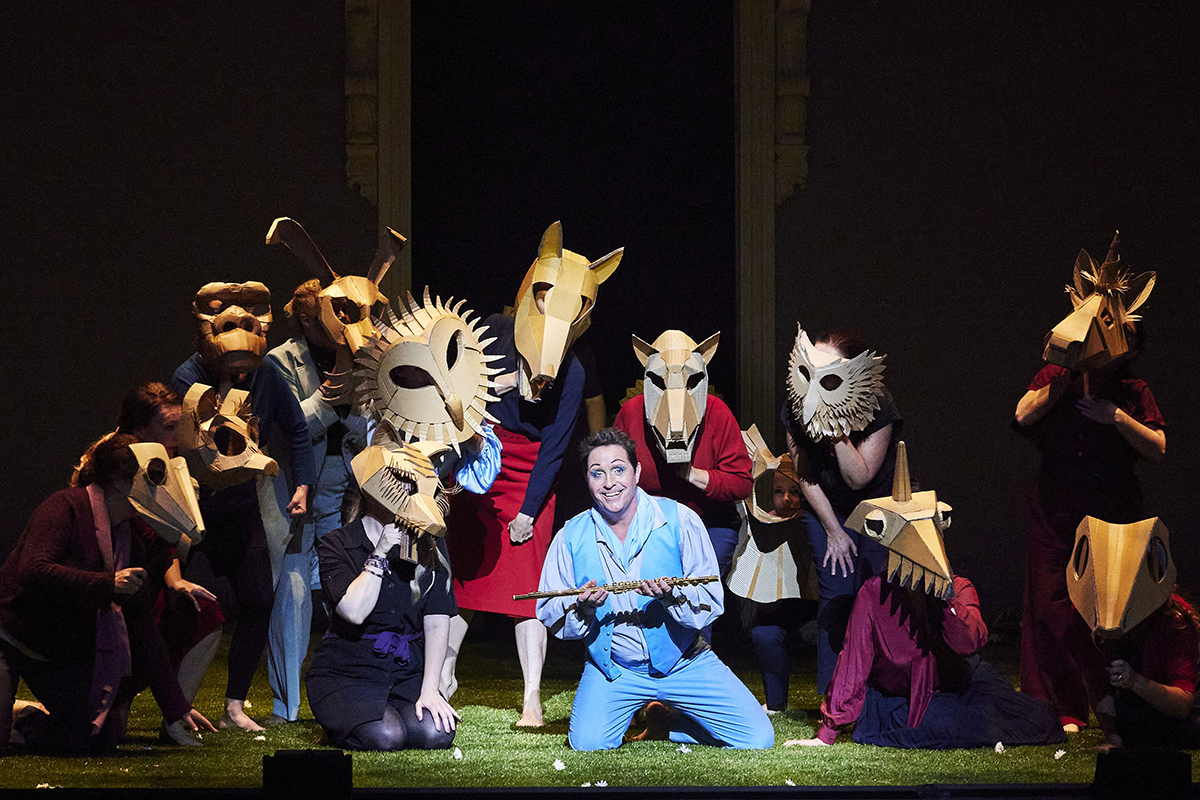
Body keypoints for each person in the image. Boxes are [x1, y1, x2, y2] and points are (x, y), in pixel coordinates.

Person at [536, 428, 774, 751]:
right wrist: (584, 608)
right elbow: (551, 612)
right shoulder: (570, 536)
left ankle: (673, 723)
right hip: (615, 669)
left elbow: (711, 599)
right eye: (597, 473)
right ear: (587, 480)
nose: (609, 483)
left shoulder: (681, 520)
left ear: (636, 472)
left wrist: (672, 598)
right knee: (587, 744)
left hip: (684, 661)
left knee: (757, 738)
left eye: (618, 470)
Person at [0, 434, 215, 752]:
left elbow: (143, 625)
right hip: (10, 637)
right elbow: (33, 570)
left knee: (101, 735)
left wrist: (175, 707)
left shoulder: (127, 539)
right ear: (118, 480)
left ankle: (23, 717)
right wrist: (107, 582)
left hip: (51, 653)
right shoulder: (65, 506)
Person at [173, 281, 316, 730]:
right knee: (197, 607)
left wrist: (303, 485)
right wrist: (220, 386)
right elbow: (200, 444)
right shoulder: (187, 376)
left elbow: (296, 428)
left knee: (258, 601)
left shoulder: (266, 373)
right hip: (198, 512)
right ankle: (177, 706)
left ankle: (234, 706)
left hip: (240, 505)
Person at [1013, 323, 1165, 730]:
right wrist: (1064, 382)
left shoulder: (1132, 389)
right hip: (1055, 504)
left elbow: (1157, 448)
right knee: (1050, 601)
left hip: (1110, 503)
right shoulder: (1057, 376)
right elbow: (1023, 414)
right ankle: (1058, 705)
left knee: (1109, 604)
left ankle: (1117, 701)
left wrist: (1117, 418)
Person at [71, 382, 225, 730]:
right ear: (139, 430)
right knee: (102, 727)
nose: (176, 437)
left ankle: (177, 717)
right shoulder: (116, 468)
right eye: (168, 427)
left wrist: (176, 580)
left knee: (201, 608)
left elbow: (165, 543)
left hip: (141, 585)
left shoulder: (163, 466)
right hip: (108, 592)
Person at [784, 574, 1065, 749]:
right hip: (900, 697)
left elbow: (969, 644)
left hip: (959, 684)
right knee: (938, 726)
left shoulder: (959, 586)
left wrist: (945, 599)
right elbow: (854, 661)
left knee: (1039, 719)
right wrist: (827, 732)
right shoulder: (874, 592)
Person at [263, 280, 369, 724]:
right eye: (333, 312)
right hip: (296, 488)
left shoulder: (363, 353)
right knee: (293, 591)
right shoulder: (279, 361)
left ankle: (351, 692)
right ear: (308, 319)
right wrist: (329, 398)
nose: (343, 320)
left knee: (345, 587)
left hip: (346, 489)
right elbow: (292, 427)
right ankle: (285, 705)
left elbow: (370, 421)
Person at [305, 446, 458, 751]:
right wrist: (380, 553)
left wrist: (431, 688)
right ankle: (339, 725)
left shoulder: (429, 545)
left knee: (436, 733)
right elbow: (354, 612)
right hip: (348, 670)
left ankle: (388, 715)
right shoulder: (338, 543)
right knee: (388, 736)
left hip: (403, 671)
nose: (408, 489)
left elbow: (437, 620)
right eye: (400, 481)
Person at [783, 328, 902, 695]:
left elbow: (859, 478)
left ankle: (879, 694)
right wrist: (833, 531)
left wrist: (834, 425)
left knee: (874, 591)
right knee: (836, 592)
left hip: (876, 504)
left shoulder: (878, 404)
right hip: (826, 504)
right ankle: (835, 699)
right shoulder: (796, 403)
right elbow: (806, 475)